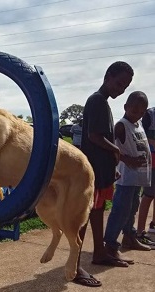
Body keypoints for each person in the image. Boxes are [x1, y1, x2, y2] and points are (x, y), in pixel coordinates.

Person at [75, 61, 134, 287]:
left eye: (125, 86)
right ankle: (75, 265)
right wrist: (116, 149)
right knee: (83, 218)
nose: (121, 89)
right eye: (119, 83)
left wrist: (111, 166)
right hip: (93, 172)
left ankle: (99, 252)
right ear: (108, 76)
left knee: (98, 212)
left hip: (102, 171)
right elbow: (94, 136)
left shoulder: (104, 103)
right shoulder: (97, 100)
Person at [104, 91, 153, 260]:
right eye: (134, 111)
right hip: (126, 178)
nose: (137, 114)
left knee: (132, 209)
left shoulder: (138, 124)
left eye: (141, 112)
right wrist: (126, 159)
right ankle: (110, 245)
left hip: (137, 178)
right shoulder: (121, 125)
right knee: (120, 211)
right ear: (126, 107)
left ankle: (129, 237)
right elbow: (108, 146)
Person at [136, 107, 155, 244]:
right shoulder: (150, 114)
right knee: (148, 195)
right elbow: (142, 135)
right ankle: (140, 231)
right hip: (152, 158)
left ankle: (153, 224)